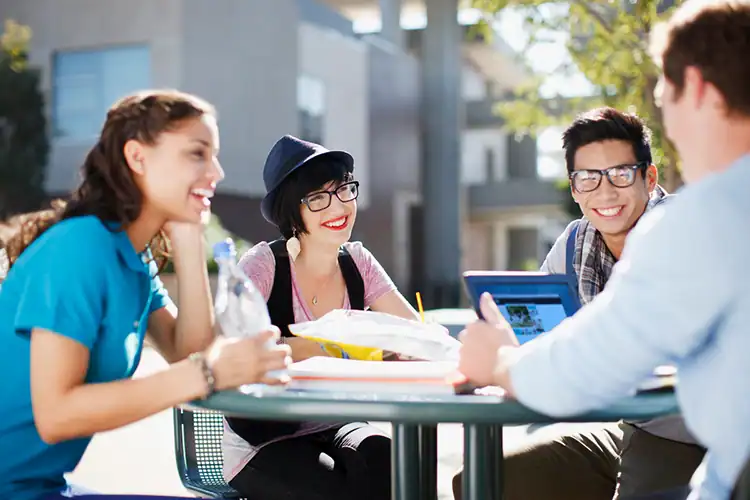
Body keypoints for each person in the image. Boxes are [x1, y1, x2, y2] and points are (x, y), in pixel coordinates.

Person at [458, 1, 750, 499]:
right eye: (587, 180)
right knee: (490, 478)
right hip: (658, 435)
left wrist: (501, 361)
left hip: (695, 450)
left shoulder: (703, 222)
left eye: (664, 93)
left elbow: (589, 363)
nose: (666, 115)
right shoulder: (583, 242)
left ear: (696, 87)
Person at [0, 89, 291, 500]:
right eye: (197, 153)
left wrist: (190, 240)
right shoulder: (79, 248)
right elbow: (56, 415)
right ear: (137, 157)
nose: (217, 171)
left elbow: (185, 349)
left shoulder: (133, 260)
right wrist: (208, 374)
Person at [453, 107, 705, 500]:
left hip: (688, 428)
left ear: (649, 177)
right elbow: (538, 332)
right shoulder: (575, 243)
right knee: (484, 480)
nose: (604, 193)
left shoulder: (681, 232)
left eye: (621, 174)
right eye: (588, 178)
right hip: (627, 423)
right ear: (574, 189)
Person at [222, 135, 421, 500]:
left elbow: (415, 335)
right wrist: (311, 347)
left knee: (393, 464)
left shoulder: (359, 262)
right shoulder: (263, 265)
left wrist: (406, 346)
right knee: (337, 490)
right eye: (317, 198)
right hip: (265, 438)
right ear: (291, 210)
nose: (338, 207)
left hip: (339, 421)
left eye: (344, 189)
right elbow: (229, 345)